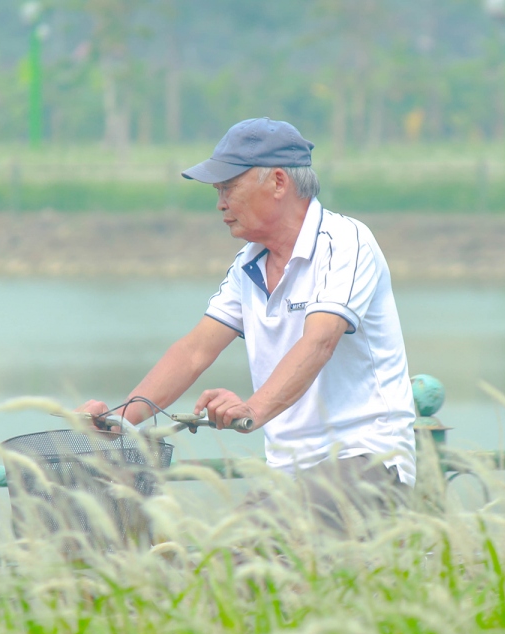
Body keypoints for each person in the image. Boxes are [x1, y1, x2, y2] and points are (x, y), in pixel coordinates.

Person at [77, 117, 416, 535]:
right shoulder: (248, 265)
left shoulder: (345, 242)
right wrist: (122, 420)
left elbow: (320, 340)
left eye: (228, 187)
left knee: (243, 559)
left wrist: (251, 409)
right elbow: (195, 350)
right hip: (289, 474)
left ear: (277, 182)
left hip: (365, 461)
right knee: (223, 561)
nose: (219, 203)